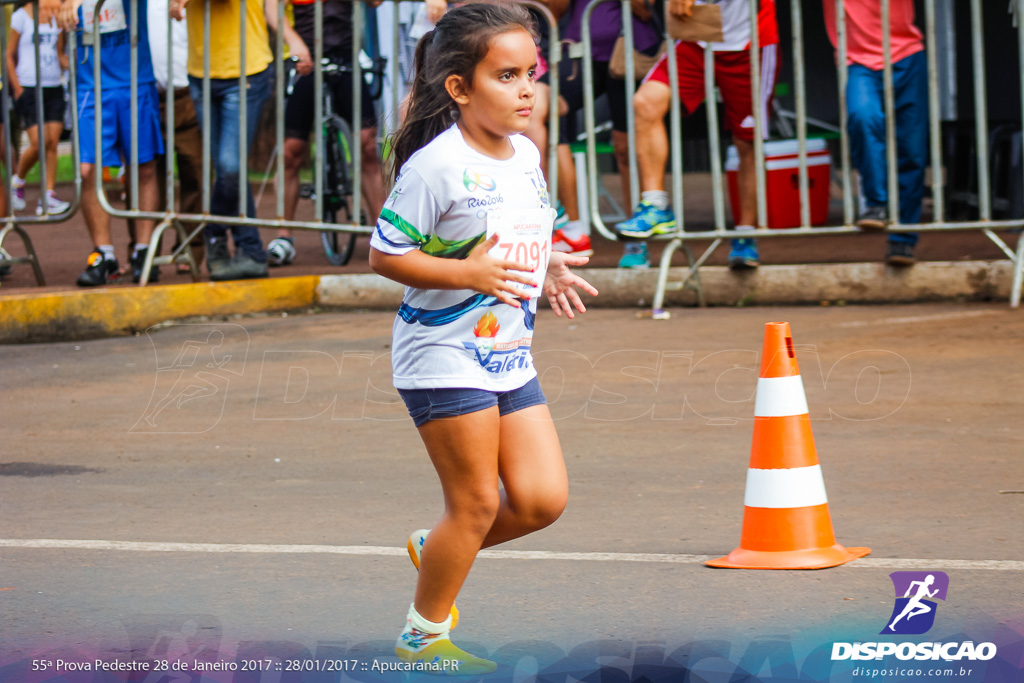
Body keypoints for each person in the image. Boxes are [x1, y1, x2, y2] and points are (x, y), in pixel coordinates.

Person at [368, 3, 597, 672]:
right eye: (506, 75)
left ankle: (437, 542)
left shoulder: (525, 152)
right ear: (460, 88)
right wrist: (465, 270)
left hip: (507, 352)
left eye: (532, 73)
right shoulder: (435, 167)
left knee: (540, 499)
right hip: (441, 356)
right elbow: (385, 254)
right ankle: (422, 638)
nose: (526, 89)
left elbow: (516, 227)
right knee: (473, 504)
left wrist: (547, 263)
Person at [616, 0, 779, 270]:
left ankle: (746, 234)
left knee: (747, 141)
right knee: (645, 102)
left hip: (750, 42)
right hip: (696, 38)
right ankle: (655, 206)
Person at [170, 0, 300, 280]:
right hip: (201, 71)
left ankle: (214, 231)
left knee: (229, 167)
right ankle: (251, 250)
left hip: (246, 70)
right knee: (232, 171)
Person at [523, 0, 661, 259]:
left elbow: (646, 8)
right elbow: (554, 10)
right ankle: (568, 225)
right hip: (579, 51)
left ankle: (635, 243)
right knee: (539, 108)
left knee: (624, 148)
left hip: (631, 50)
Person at [265, 0, 386, 267]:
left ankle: (385, 237)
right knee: (291, 152)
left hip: (347, 61)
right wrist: (294, 42)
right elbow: (272, 8)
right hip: (306, 61)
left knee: (367, 145)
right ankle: (284, 237)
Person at [59, 0, 165, 286]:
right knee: (87, 171)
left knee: (143, 167)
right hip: (89, 84)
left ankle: (144, 251)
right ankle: (103, 253)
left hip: (134, 77)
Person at [823, 0, 924, 266]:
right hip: (857, 60)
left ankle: (903, 238)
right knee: (861, 118)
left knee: (911, 149)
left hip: (907, 53)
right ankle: (876, 203)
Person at [141, 0, 204, 272]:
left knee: (195, 171)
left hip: (189, 92)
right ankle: (144, 251)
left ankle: (189, 248)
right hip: (149, 94)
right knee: (147, 173)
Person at [7, 0, 71, 216]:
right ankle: (19, 179)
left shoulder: (58, 13)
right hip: (28, 85)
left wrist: (75, 66)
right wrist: (17, 88)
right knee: (39, 142)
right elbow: (9, 54)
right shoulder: (21, 16)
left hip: (53, 85)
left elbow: (60, 53)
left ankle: (48, 196)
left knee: (52, 141)